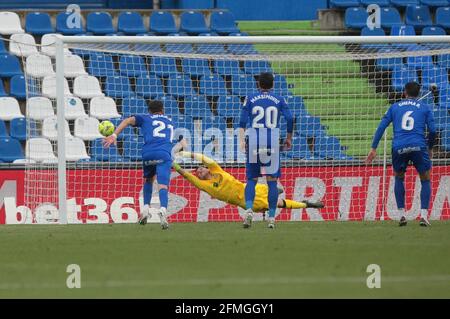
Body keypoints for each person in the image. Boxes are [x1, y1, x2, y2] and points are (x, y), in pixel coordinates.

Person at [366, 82, 436, 227]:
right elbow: (433, 130)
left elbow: (381, 126)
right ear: (418, 93)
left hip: (399, 147)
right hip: (418, 146)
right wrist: (429, 148)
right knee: (425, 178)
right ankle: (423, 216)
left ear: (404, 92)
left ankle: (401, 214)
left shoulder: (394, 107)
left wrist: (373, 148)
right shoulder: (424, 108)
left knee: (399, 177)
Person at [173, 152, 323, 218]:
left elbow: (204, 158)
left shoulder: (216, 169)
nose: (199, 171)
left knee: (269, 191)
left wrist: (185, 154)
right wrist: (174, 164)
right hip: (246, 201)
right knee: (277, 204)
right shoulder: (204, 185)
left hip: (251, 189)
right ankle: (305, 205)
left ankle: (276, 191)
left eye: (200, 168)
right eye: (197, 172)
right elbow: (187, 176)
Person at [103, 100, 175, 230]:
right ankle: (163, 209)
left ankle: (145, 209)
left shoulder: (145, 118)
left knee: (149, 179)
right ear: (162, 110)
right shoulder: (169, 121)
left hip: (147, 154)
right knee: (162, 184)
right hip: (164, 154)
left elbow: (127, 121)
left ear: (149, 111)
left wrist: (114, 135)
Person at [238, 72, 294, 229]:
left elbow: (242, 121)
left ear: (258, 84)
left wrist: (242, 140)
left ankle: (248, 210)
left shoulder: (250, 98)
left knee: (252, 179)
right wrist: (288, 137)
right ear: (273, 85)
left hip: (254, 139)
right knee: (271, 181)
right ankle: (271, 218)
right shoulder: (279, 99)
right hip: (272, 141)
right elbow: (290, 118)